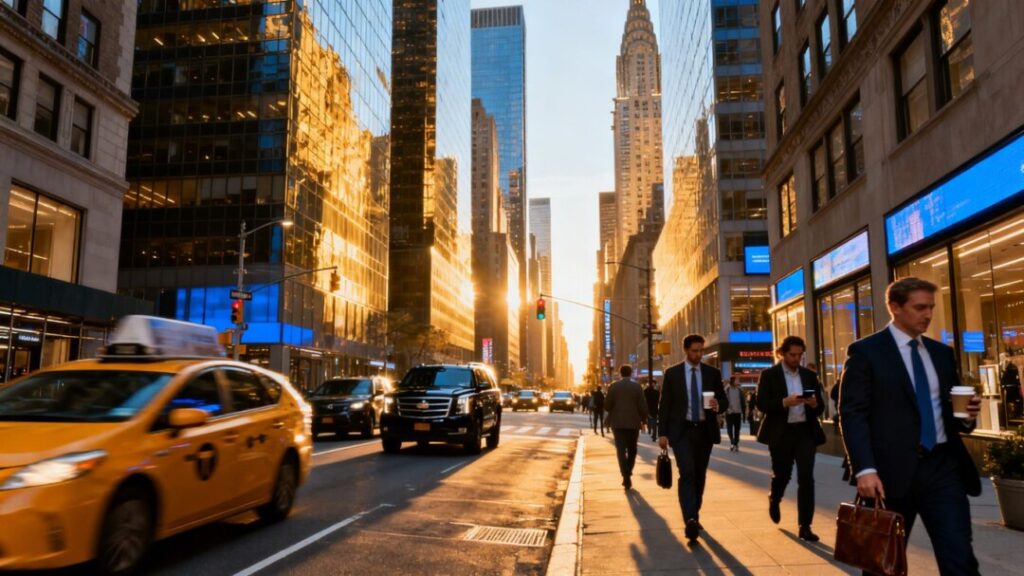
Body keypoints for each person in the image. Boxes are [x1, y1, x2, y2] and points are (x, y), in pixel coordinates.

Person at [840, 277, 982, 575]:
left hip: (943, 469)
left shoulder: (941, 354)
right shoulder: (866, 352)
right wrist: (864, 468)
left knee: (960, 558)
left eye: (931, 307)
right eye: (920, 307)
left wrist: (967, 415)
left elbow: (949, 409)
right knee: (883, 564)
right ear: (895, 307)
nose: (928, 315)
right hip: (890, 475)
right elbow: (853, 414)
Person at [756, 336, 826, 542]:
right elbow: (761, 404)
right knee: (782, 474)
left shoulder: (809, 375)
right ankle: (774, 498)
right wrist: (784, 402)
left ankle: (805, 526)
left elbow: (820, 406)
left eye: (799, 355)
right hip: (781, 432)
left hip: (805, 432)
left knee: (806, 478)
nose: (796, 359)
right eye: (792, 355)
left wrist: (814, 404)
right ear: (782, 353)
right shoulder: (769, 375)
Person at [658, 334, 727, 543]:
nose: (699, 354)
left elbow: (722, 399)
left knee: (699, 475)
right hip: (682, 431)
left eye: (701, 351)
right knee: (687, 472)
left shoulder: (712, 373)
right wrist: (662, 433)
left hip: (705, 431)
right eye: (695, 351)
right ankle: (689, 518)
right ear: (686, 350)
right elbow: (665, 405)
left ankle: (694, 515)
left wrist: (718, 404)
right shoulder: (673, 374)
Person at [605, 365, 649, 491]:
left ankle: (625, 475)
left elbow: (607, 406)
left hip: (617, 423)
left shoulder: (613, 386)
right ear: (630, 373)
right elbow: (643, 405)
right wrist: (644, 419)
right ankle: (628, 472)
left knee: (620, 450)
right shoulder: (637, 387)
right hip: (633, 423)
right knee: (632, 449)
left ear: (620, 373)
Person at [724, 376, 745, 452]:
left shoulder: (739, 390)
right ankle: (732, 442)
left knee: (737, 430)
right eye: (737, 380)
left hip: (738, 413)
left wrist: (744, 413)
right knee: (729, 430)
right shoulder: (727, 389)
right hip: (729, 413)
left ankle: (736, 444)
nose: (738, 382)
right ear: (733, 381)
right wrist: (726, 409)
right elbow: (724, 401)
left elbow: (743, 402)